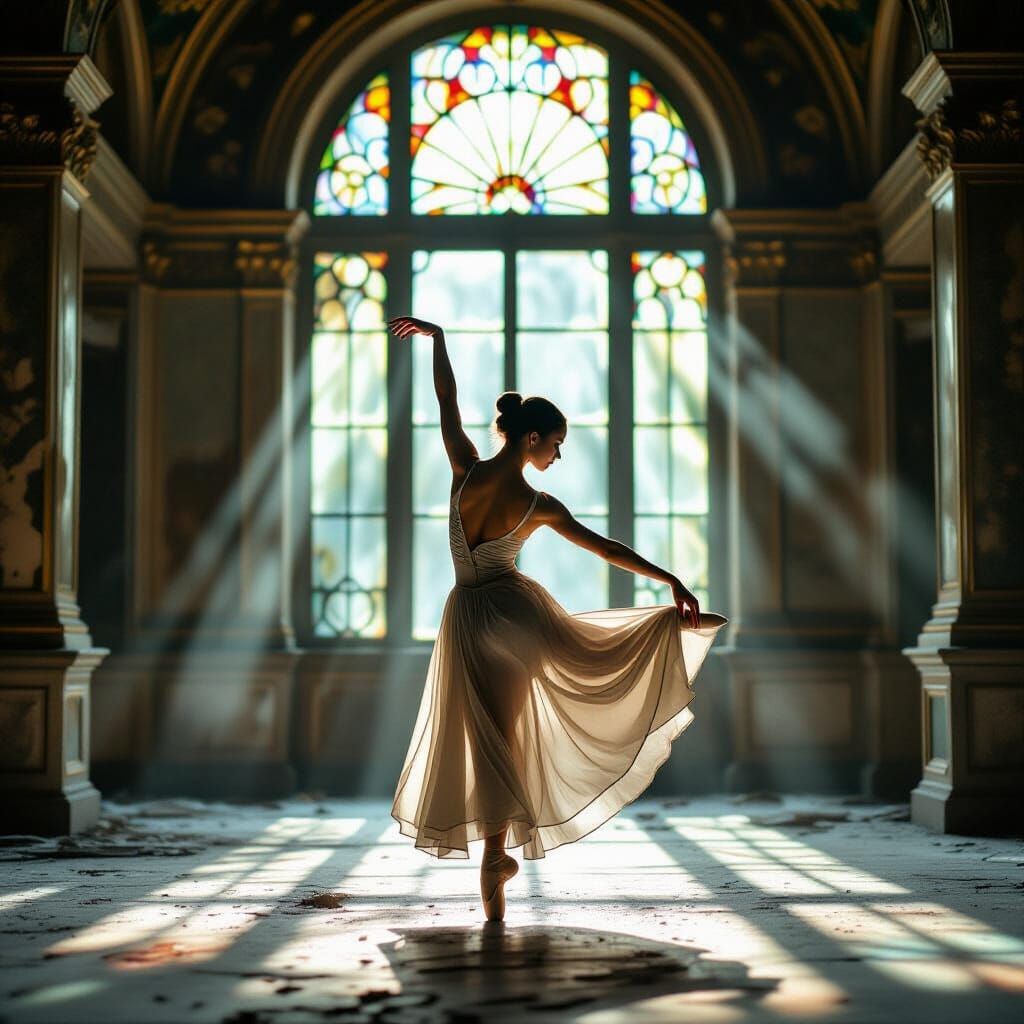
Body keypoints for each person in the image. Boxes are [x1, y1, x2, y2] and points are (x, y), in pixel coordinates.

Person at [388, 315, 727, 922]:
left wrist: (439, 342)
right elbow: (607, 550)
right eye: (556, 443)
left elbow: (447, 403)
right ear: (531, 439)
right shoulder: (537, 504)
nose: (559, 453)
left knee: (486, 740)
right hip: (513, 618)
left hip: (465, 617)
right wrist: (671, 580)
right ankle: (495, 856)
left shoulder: (464, 469)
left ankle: (493, 871)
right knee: (521, 726)